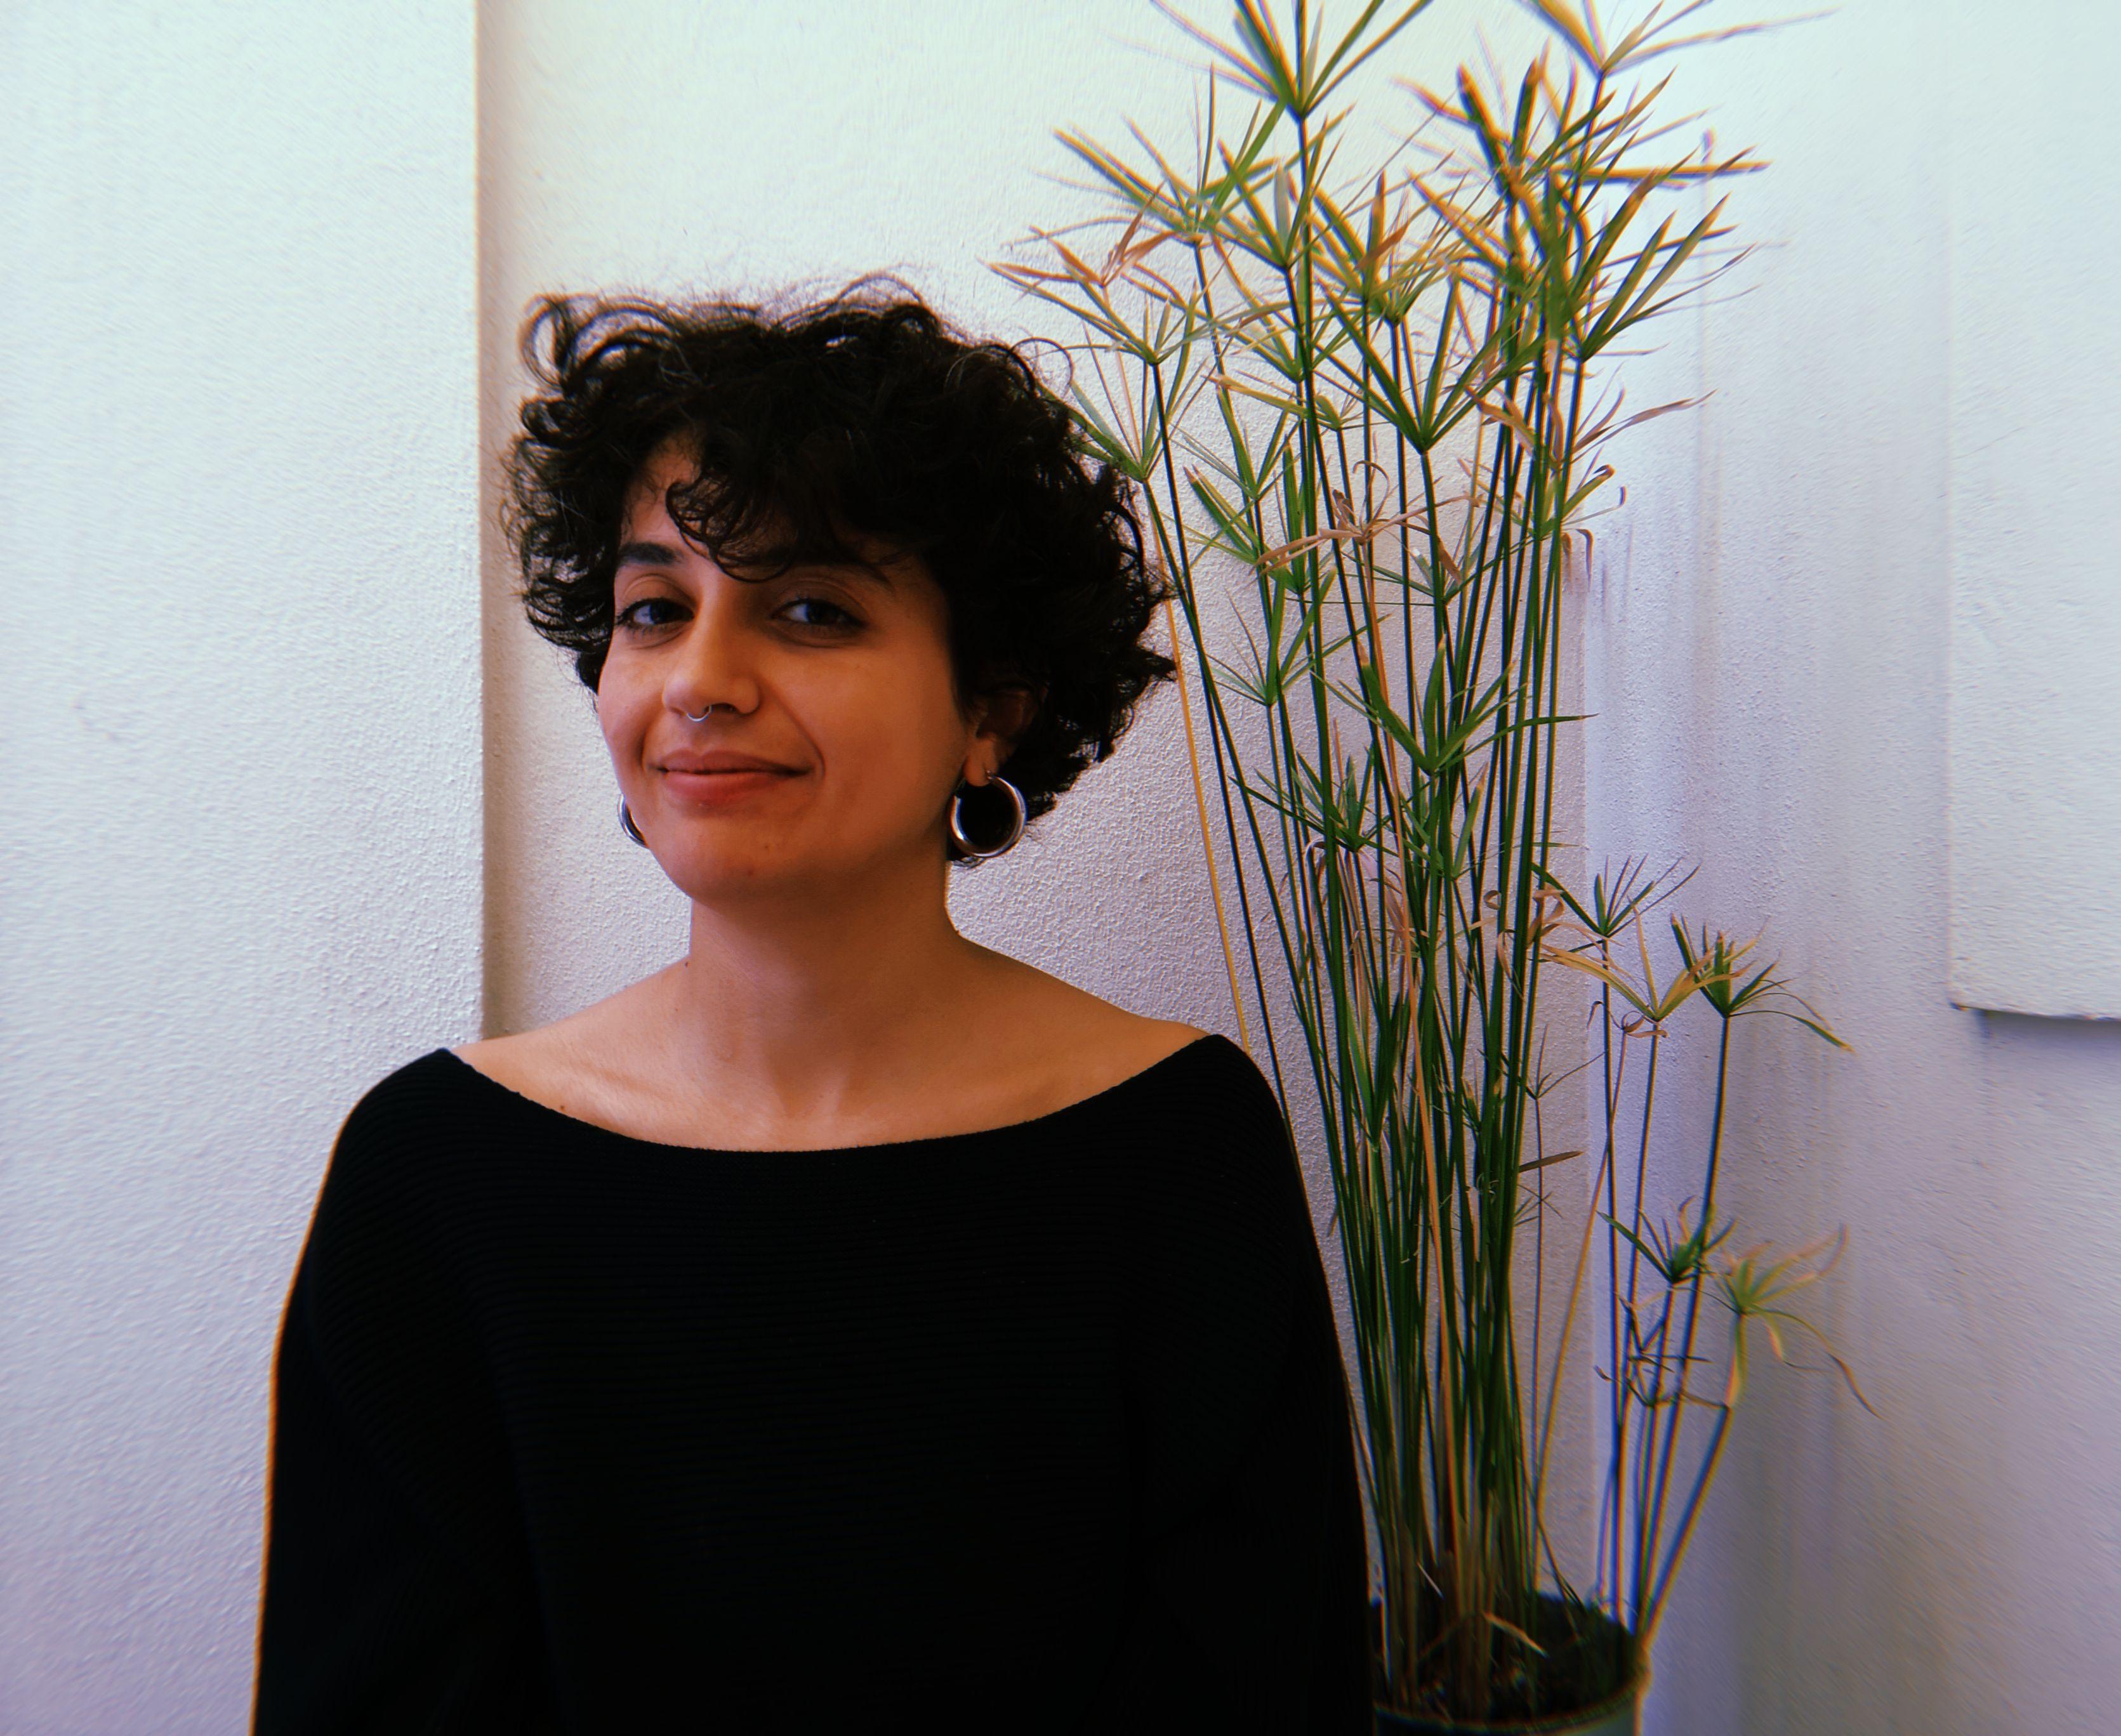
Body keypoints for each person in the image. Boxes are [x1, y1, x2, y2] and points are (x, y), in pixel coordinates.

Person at [249, 284, 1374, 1732]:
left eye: (812, 609)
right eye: (656, 610)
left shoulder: (1176, 1153)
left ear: (995, 708)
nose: (701, 682)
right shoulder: (438, 1181)